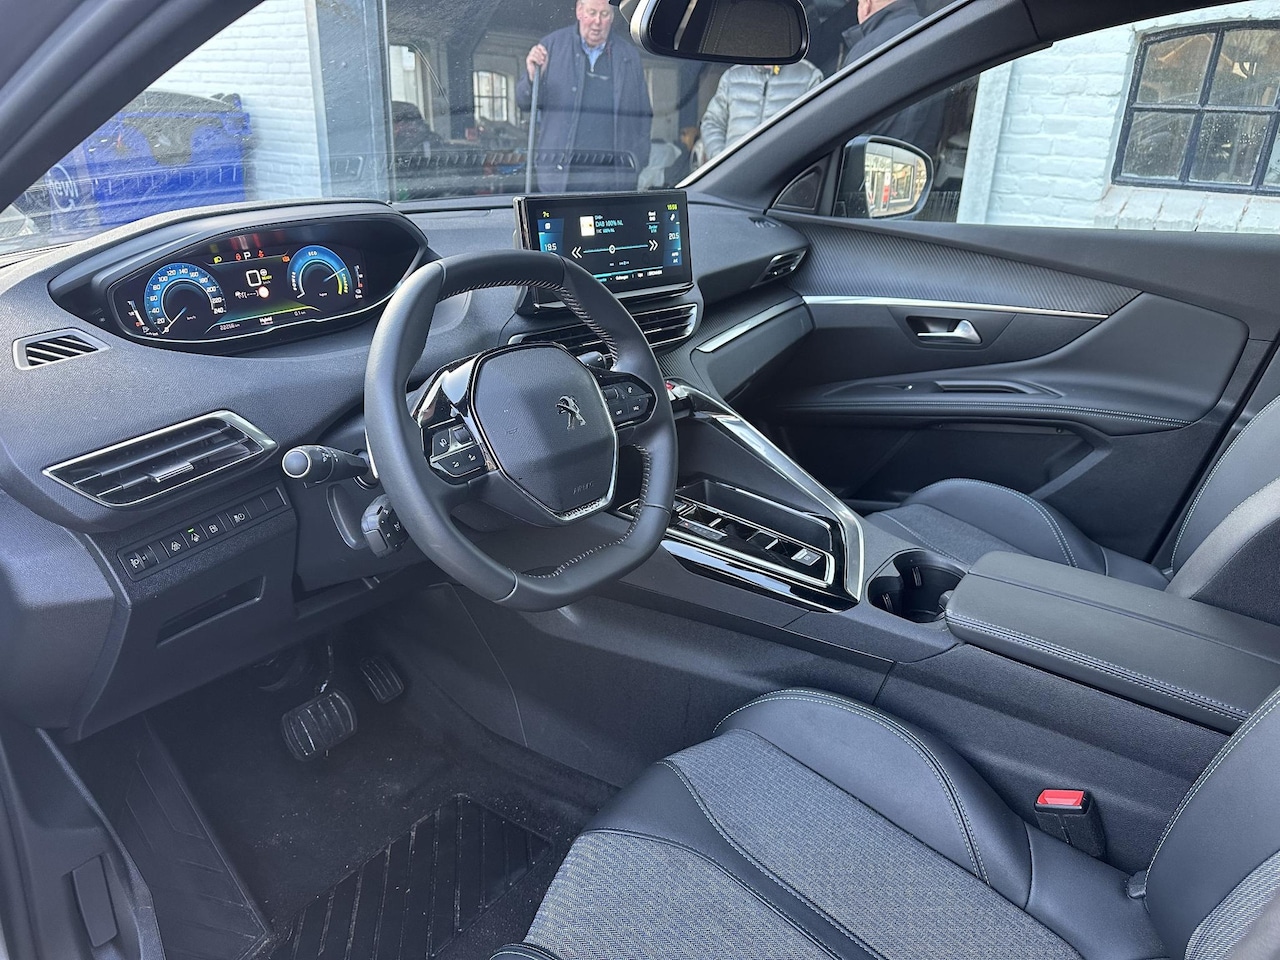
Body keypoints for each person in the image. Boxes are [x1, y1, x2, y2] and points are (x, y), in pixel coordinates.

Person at [516, 0, 653, 193]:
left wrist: (638, 160)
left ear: (612, 17)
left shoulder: (628, 56)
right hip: (559, 180)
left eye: (604, 14)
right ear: (579, 11)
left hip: (613, 181)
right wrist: (532, 77)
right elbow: (523, 102)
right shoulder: (550, 48)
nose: (597, 21)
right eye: (592, 13)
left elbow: (643, 114)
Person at [841, 0, 945, 155]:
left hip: (875, 162)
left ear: (866, 4)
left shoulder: (865, 52)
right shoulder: (938, 35)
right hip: (922, 162)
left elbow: (841, 128)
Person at [699, 61, 824, 161]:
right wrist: (722, 160)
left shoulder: (809, 76)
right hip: (735, 177)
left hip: (785, 178)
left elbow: (816, 130)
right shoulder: (732, 76)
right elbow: (712, 123)